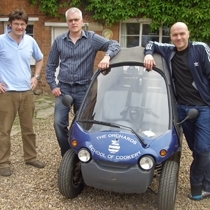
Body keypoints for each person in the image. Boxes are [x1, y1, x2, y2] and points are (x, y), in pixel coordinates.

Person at [143, 22, 210, 200]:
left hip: (204, 107)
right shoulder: (169, 50)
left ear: (188, 33)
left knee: (203, 149)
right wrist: (149, 54)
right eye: (175, 35)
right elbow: (150, 44)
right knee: (195, 149)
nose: (179, 38)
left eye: (182, 34)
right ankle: (206, 182)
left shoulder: (201, 49)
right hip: (182, 109)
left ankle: (199, 185)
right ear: (171, 37)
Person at [46, 7, 120, 157]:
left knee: (84, 124)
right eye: (70, 20)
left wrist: (106, 57)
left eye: (76, 20)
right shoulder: (59, 41)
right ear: (67, 22)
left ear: (82, 21)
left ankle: (83, 155)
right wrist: (53, 85)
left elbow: (114, 45)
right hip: (64, 88)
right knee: (58, 123)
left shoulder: (92, 39)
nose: (73, 23)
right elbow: (50, 65)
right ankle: (67, 155)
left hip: (85, 89)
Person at [0, 8, 45, 177]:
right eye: (16, 24)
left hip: (26, 92)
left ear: (26, 25)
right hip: (6, 94)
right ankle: (3, 162)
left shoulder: (30, 42)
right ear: (10, 24)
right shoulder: (1, 41)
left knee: (29, 129)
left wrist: (36, 77)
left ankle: (31, 157)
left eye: (22, 24)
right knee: (4, 130)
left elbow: (39, 58)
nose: (19, 27)